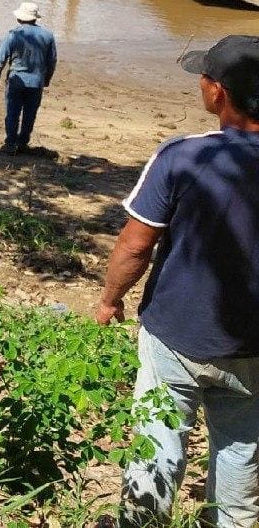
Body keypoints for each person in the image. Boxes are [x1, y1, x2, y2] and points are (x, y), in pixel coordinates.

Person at [95, 35, 259, 528]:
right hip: (253, 345)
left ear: (217, 92)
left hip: (175, 334)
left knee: (159, 439)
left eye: (204, 79)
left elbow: (135, 245)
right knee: (241, 445)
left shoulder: (183, 156)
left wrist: (109, 299)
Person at [0, 1, 57, 155]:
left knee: (12, 112)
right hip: (36, 81)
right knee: (30, 113)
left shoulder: (14, 34)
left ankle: (10, 143)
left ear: (20, 18)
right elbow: (52, 61)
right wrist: (46, 79)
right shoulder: (48, 36)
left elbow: (1, 58)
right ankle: (23, 143)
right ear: (35, 19)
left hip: (16, 80)